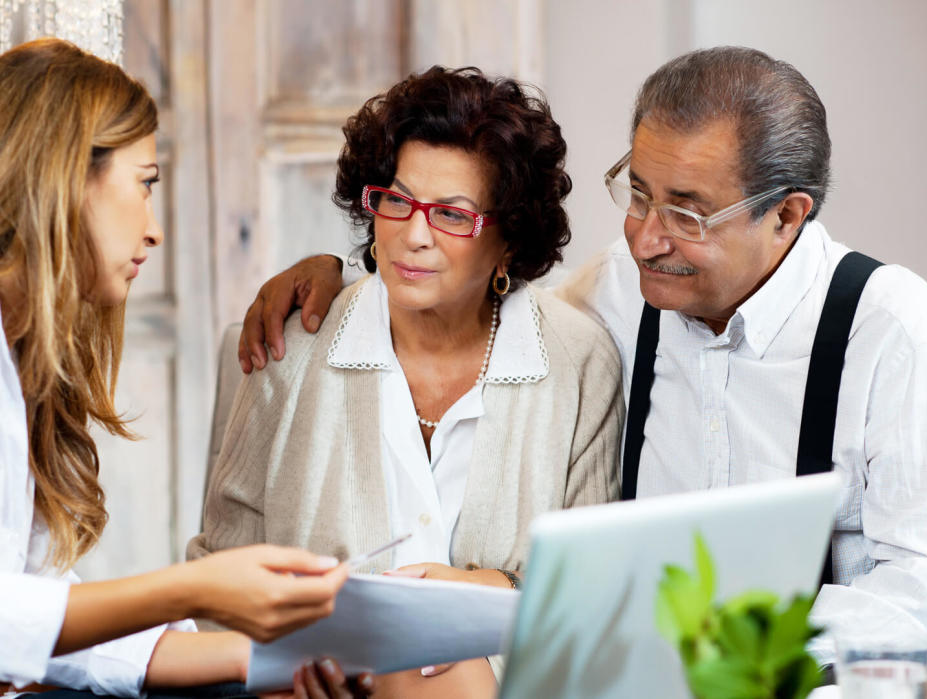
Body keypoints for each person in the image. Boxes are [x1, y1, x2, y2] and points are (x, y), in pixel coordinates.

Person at [236, 47, 927, 697]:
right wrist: (347, 271)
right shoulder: (620, 292)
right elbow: (481, 281)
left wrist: (723, 642)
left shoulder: (896, 336)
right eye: (637, 192)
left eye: (687, 212)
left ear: (787, 215)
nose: (645, 237)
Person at [0, 39, 371, 699]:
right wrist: (189, 589)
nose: (154, 229)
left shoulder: (4, 340)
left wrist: (268, 663)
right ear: (65, 176)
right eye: (144, 184)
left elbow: (39, 615)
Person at [188, 66, 623, 698]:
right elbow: (219, 568)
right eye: (397, 200)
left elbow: (590, 587)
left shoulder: (578, 360)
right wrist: (282, 674)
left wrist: (475, 596)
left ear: (509, 239)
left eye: (452, 214)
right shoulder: (294, 344)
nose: (413, 235)